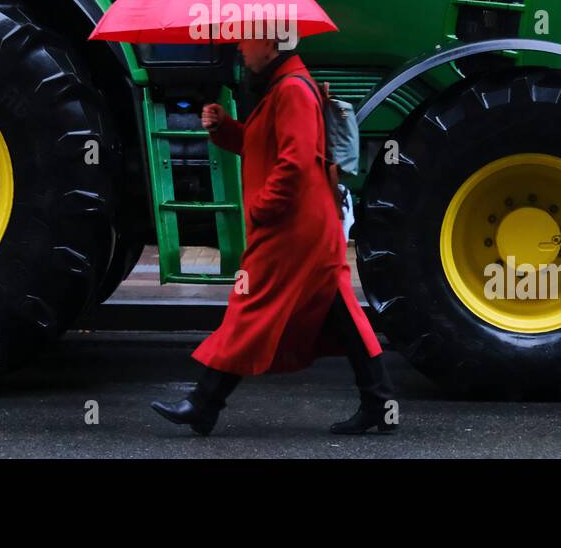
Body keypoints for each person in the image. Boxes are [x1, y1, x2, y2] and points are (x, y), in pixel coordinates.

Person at [150, 36, 397, 436]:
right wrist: (224, 129)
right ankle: (379, 401)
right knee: (341, 310)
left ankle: (203, 403)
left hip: (292, 227)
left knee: (251, 304)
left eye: (247, 41)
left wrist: (263, 207)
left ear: (270, 43)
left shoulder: (292, 89)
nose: (242, 50)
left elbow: (295, 162)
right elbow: (262, 145)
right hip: (309, 223)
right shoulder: (288, 85)